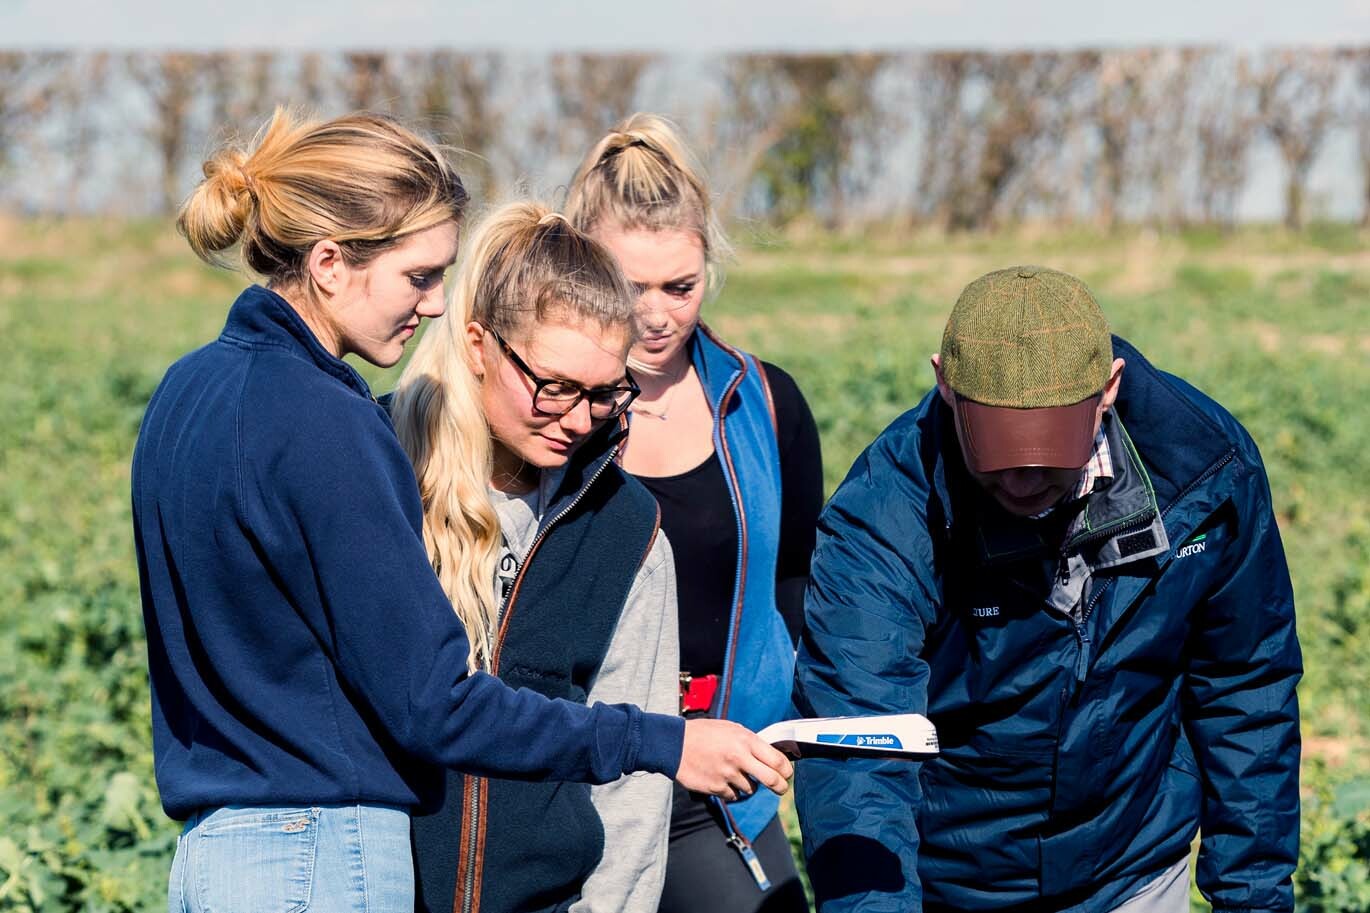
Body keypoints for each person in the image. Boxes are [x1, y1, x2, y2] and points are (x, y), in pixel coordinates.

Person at [132, 108, 793, 913]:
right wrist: (661, 740)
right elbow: (432, 703)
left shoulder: (186, 392)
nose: (436, 304)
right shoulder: (330, 422)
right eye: (418, 276)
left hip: (213, 854)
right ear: (331, 262)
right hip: (323, 857)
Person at [793, 265, 1302, 913]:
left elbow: (1246, 686)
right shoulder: (887, 512)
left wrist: (1253, 899)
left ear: (1109, 387)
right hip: (954, 877)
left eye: (1051, 447)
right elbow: (858, 744)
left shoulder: (1203, 474)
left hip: (1134, 864)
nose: (1027, 478)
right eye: (1001, 447)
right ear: (945, 384)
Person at [389, 202, 679, 913]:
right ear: (480, 343)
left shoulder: (628, 529)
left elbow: (635, 789)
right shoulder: (379, 478)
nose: (579, 419)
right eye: (554, 385)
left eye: (604, 393)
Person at [566, 114, 823, 913]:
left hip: (720, 793)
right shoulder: (540, 413)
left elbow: (797, 591)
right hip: (575, 784)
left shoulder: (763, 405)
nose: (655, 314)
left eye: (680, 285)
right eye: (628, 284)